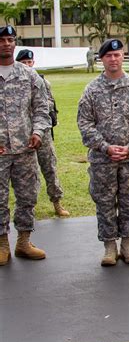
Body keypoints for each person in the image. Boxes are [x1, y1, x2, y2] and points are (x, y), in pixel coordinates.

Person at [77, 39, 129, 266]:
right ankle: (109, 246)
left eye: (117, 55)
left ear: (123, 56)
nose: (113, 59)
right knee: (104, 201)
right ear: (101, 59)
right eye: (109, 56)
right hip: (101, 159)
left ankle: (127, 244)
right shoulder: (92, 89)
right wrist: (104, 146)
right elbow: (84, 122)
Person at [0, 26, 50, 264]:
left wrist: (38, 132)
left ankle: (23, 242)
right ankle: (2, 244)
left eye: (10, 40)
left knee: (27, 197)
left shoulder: (29, 75)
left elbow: (42, 109)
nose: (6, 44)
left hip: (25, 150)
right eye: (2, 40)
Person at [16, 49, 70, 218]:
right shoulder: (14, 82)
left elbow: (50, 106)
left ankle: (57, 202)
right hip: (23, 134)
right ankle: (29, 206)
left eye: (29, 62)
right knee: (29, 173)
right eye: (24, 62)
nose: (27, 65)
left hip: (44, 134)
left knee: (50, 168)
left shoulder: (42, 82)